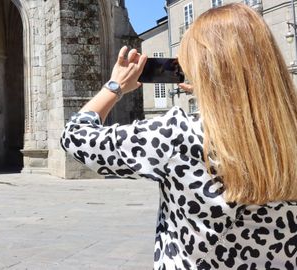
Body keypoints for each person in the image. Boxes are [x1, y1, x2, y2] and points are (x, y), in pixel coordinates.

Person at [61, 3, 297, 269]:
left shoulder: (177, 135)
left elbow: (76, 136)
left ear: (203, 69)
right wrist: (209, 91)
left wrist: (115, 86)